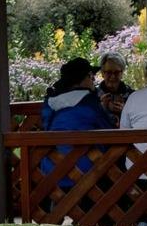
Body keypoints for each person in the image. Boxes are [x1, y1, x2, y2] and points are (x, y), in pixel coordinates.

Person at [40, 57, 114, 188]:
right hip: (86, 171)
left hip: (52, 169)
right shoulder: (89, 102)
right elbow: (109, 132)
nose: (94, 80)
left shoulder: (51, 103)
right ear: (85, 78)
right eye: (92, 76)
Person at [96, 53, 134, 119]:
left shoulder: (132, 96)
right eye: (109, 72)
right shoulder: (93, 96)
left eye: (116, 72)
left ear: (122, 73)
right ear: (102, 73)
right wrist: (102, 108)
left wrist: (125, 112)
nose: (113, 77)